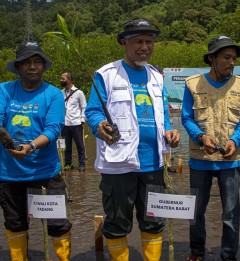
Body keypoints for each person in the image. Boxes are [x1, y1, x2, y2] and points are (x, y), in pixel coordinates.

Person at [85, 18, 180, 260]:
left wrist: (170, 130)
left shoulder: (157, 77)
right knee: (117, 221)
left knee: (154, 220)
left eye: (149, 42)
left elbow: (163, 114)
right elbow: (93, 111)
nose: (144, 47)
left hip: (154, 163)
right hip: (119, 164)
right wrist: (99, 125)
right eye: (138, 41)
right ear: (124, 43)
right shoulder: (106, 74)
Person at [181, 35, 240, 261]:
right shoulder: (192, 84)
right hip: (199, 160)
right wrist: (200, 137)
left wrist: (235, 141)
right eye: (226, 57)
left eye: (234, 58)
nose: (231, 62)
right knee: (196, 211)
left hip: (230, 161)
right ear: (212, 58)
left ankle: (228, 255)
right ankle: (196, 252)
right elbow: (186, 118)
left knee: (231, 213)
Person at [0, 42, 72, 260]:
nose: (32, 66)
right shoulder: (4, 89)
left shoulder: (53, 94)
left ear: (43, 67)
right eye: (27, 62)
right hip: (9, 173)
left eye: (37, 62)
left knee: (57, 224)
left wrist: (30, 146)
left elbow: (53, 129)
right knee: (15, 223)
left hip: (45, 173)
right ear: (19, 67)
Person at [60, 72, 87, 172]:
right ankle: (68, 164)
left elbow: (84, 106)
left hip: (76, 123)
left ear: (69, 80)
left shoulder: (79, 92)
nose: (61, 80)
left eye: (63, 79)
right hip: (64, 123)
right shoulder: (60, 92)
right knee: (66, 146)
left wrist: (82, 120)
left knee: (80, 145)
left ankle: (82, 164)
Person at [153, 65, 177, 173]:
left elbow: (166, 106)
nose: (162, 79)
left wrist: (170, 119)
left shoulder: (164, 88)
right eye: (160, 76)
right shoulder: (152, 88)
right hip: (155, 123)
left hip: (166, 122)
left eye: (163, 77)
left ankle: (168, 164)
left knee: (168, 142)